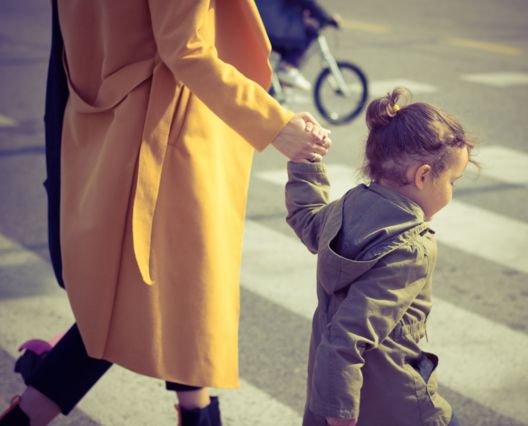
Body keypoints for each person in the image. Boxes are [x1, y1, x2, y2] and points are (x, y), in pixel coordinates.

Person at [0, 0, 331, 425]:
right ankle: (28, 412)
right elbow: (186, 49)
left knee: (165, 305)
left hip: (106, 123)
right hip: (166, 138)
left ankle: (35, 410)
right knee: (149, 302)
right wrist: (275, 125)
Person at [285, 87, 476, 426]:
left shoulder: (348, 207)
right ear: (423, 176)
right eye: (452, 181)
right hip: (395, 406)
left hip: (331, 390)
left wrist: (306, 162)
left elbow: (306, 216)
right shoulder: (412, 247)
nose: (451, 192)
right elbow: (348, 334)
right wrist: (341, 414)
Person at [256, 0, 340, 91]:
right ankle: (287, 67)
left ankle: (281, 85)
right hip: (272, 25)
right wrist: (326, 18)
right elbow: (308, 3)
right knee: (307, 34)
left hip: (261, 19)